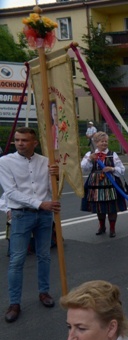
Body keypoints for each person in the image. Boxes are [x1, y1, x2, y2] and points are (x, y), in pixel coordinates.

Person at [0, 127, 60, 323]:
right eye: (17, 140)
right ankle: (14, 303)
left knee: (44, 255)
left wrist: (56, 176)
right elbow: (10, 192)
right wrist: (40, 203)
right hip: (21, 214)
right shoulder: (5, 162)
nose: (19, 143)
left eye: (25, 140)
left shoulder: (45, 161)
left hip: (43, 215)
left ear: (34, 143)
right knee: (17, 259)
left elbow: (53, 191)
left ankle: (44, 292)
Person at [81, 132, 127, 238]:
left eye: (106, 141)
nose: (104, 143)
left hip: (110, 184)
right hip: (95, 185)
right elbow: (83, 168)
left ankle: (112, 228)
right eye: (102, 141)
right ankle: (102, 226)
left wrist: (112, 169)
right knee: (99, 207)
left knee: (112, 207)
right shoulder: (90, 154)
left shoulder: (112, 154)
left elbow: (122, 170)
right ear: (96, 143)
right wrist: (89, 159)